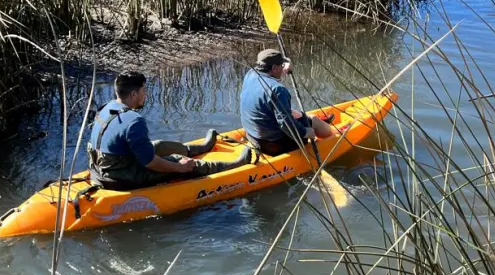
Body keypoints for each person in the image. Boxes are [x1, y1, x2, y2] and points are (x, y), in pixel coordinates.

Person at [88, 71, 254, 191]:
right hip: (120, 177)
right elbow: (150, 163)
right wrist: (180, 167)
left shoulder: (107, 108)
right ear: (133, 93)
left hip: (103, 169)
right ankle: (235, 165)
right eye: (143, 91)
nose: (145, 95)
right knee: (178, 161)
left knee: (158, 145)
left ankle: (201, 147)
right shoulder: (133, 120)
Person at [239, 48, 337, 156]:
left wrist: (284, 68)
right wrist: (306, 132)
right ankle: (335, 135)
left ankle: (317, 123)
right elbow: (286, 125)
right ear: (274, 68)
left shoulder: (250, 74)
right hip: (273, 145)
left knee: (294, 113)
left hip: (253, 137)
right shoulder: (278, 89)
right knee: (312, 119)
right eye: (281, 66)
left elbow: (269, 96)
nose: (283, 68)